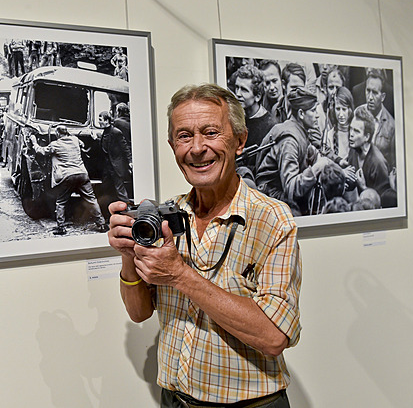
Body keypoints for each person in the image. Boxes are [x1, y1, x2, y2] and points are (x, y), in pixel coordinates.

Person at [108, 83, 301, 407]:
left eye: (210, 132)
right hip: (175, 400)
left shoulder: (272, 219)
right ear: (173, 146)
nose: (197, 148)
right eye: (184, 136)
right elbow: (139, 312)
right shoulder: (166, 214)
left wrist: (179, 275)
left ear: (240, 140)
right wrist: (129, 256)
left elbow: (273, 337)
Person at [256, 88, 330, 215]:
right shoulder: (290, 141)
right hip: (271, 197)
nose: (317, 115)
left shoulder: (299, 131)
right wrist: (316, 169)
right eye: (313, 111)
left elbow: (313, 154)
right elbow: (290, 189)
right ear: (301, 114)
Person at [30, 125, 109, 235]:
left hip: (67, 176)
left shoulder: (55, 144)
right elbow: (82, 144)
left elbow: (41, 152)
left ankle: (61, 227)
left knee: (61, 202)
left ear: (57, 134)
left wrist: (34, 142)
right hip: (82, 174)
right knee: (91, 199)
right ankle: (102, 224)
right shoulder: (76, 140)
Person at [346, 106, 391, 205]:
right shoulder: (353, 150)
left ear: (367, 136)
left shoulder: (378, 163)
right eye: (351, 129)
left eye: (356, 131)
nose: (351, 134)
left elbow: (384, 202)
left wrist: (364, 187)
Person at [354, 68, 396, 170]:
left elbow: (393, 164)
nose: (370, 97)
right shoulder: (358, 112)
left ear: (382, 97)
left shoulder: (391, 126)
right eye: (368, 91)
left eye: (375, 93)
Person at [99, 111, 132, 202]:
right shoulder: (104, 132)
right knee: (106, 188)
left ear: (107, 121)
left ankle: (126, 207)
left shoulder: (116, 132)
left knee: (120, 189)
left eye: (100, 120)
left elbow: (124, 147)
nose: (99, 122)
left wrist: (130, 161)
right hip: (107, 166)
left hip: (115, 166)